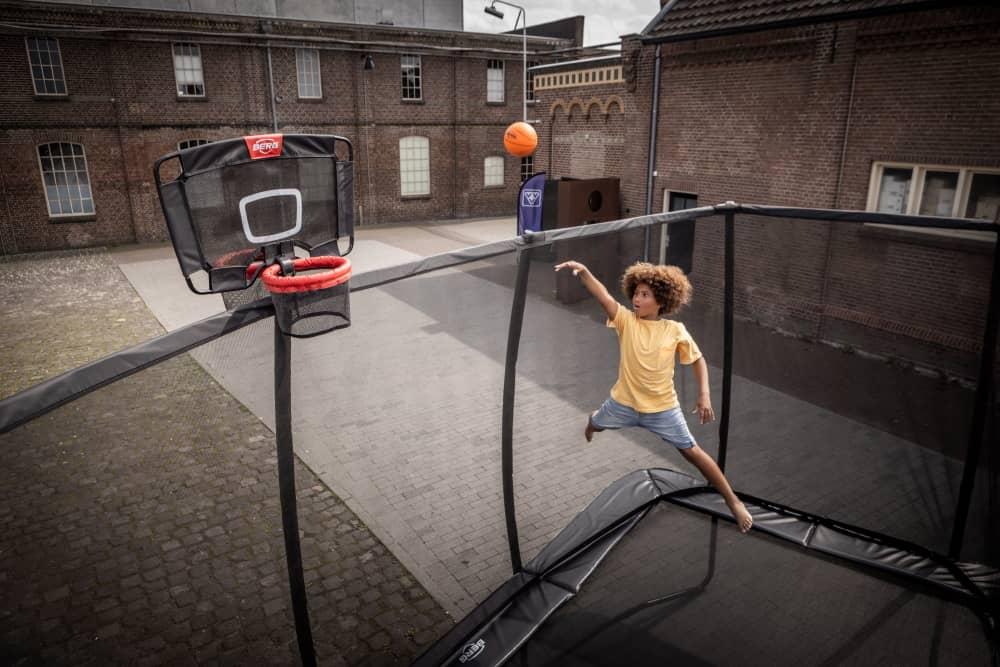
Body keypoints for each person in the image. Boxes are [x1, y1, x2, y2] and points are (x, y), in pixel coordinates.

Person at [554, 259, 754, 533]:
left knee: (693, 452)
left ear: (661, 300)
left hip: (662, 410)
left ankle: (733, 501)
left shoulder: (675, 330)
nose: (637, 298)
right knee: (597, 423)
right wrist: (585, 272)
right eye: (636, 293)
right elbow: (603, 297)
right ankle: (592, 423)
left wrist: (704, 395)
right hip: (623, 404)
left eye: (645, 295)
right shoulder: (625, 321)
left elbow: (698, 360)